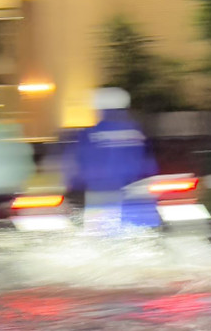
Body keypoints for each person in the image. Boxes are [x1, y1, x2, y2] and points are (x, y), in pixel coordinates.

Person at [64, 87, 158, 230]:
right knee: (140, 234)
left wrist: (72, 187)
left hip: (102, 194)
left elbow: (80, 166)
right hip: (136, 192)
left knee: (103, 240)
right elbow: (149, 162)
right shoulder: (137, 131)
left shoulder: (90, 134)